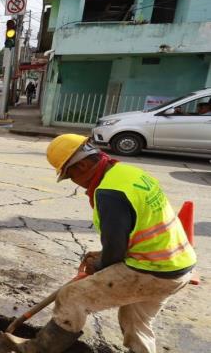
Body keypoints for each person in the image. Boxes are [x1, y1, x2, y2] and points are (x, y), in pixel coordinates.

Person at [16, 135, 196, 353]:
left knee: (72, 296)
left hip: (152, 271)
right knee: (135, 320)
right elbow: (137, 227)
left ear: (81, 165)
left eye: (69, 175)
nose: (73, 182)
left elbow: (115, 251)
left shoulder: (109, 192)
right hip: (179, 266)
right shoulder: (128, 173)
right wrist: (103, 256)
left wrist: (100, 263)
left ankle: (39, 349)